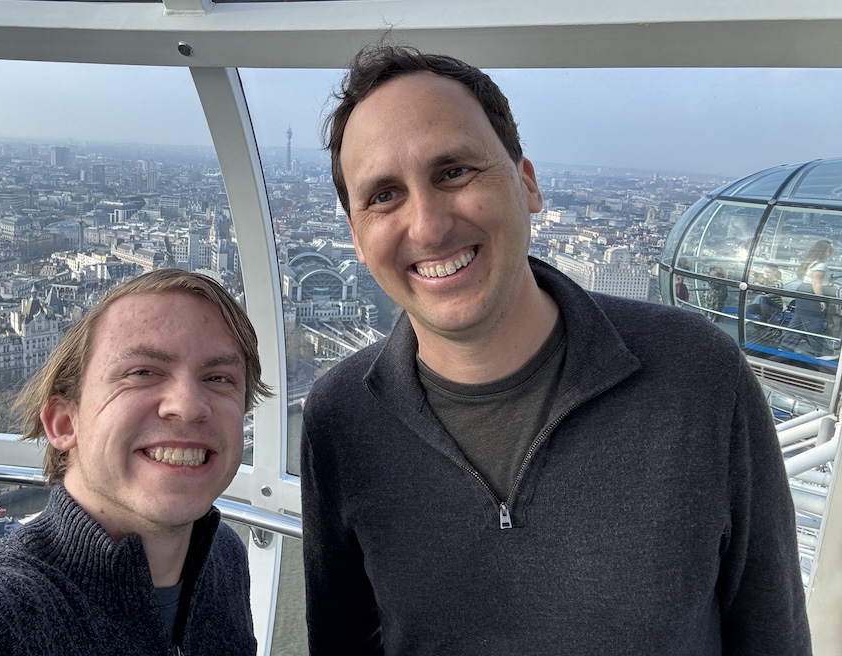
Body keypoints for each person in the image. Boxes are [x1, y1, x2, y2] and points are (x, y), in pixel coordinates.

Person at [300, 43, 811, 655]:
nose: (429, 226)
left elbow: (772, 635)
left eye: (454, 172)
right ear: (357, 238)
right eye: (384, 195)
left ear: (527, 184)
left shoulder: (697, 377)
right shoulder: (341, 418)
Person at [0, 269, 270, 655]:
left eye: (219, 378)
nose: (188, 406)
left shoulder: (223, 555)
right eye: (143, 372)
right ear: (63, 424)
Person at [781, 239, 835, 357]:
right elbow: (816, 283)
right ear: (823, 250)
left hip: (804, 292)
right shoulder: (820, 265)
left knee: (797, 323)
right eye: (830, 249)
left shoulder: (814, 263)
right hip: (811, 294)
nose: (832, 252)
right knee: (814, 323)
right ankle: (822, 353)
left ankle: (785, 347)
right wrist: (821, 299)